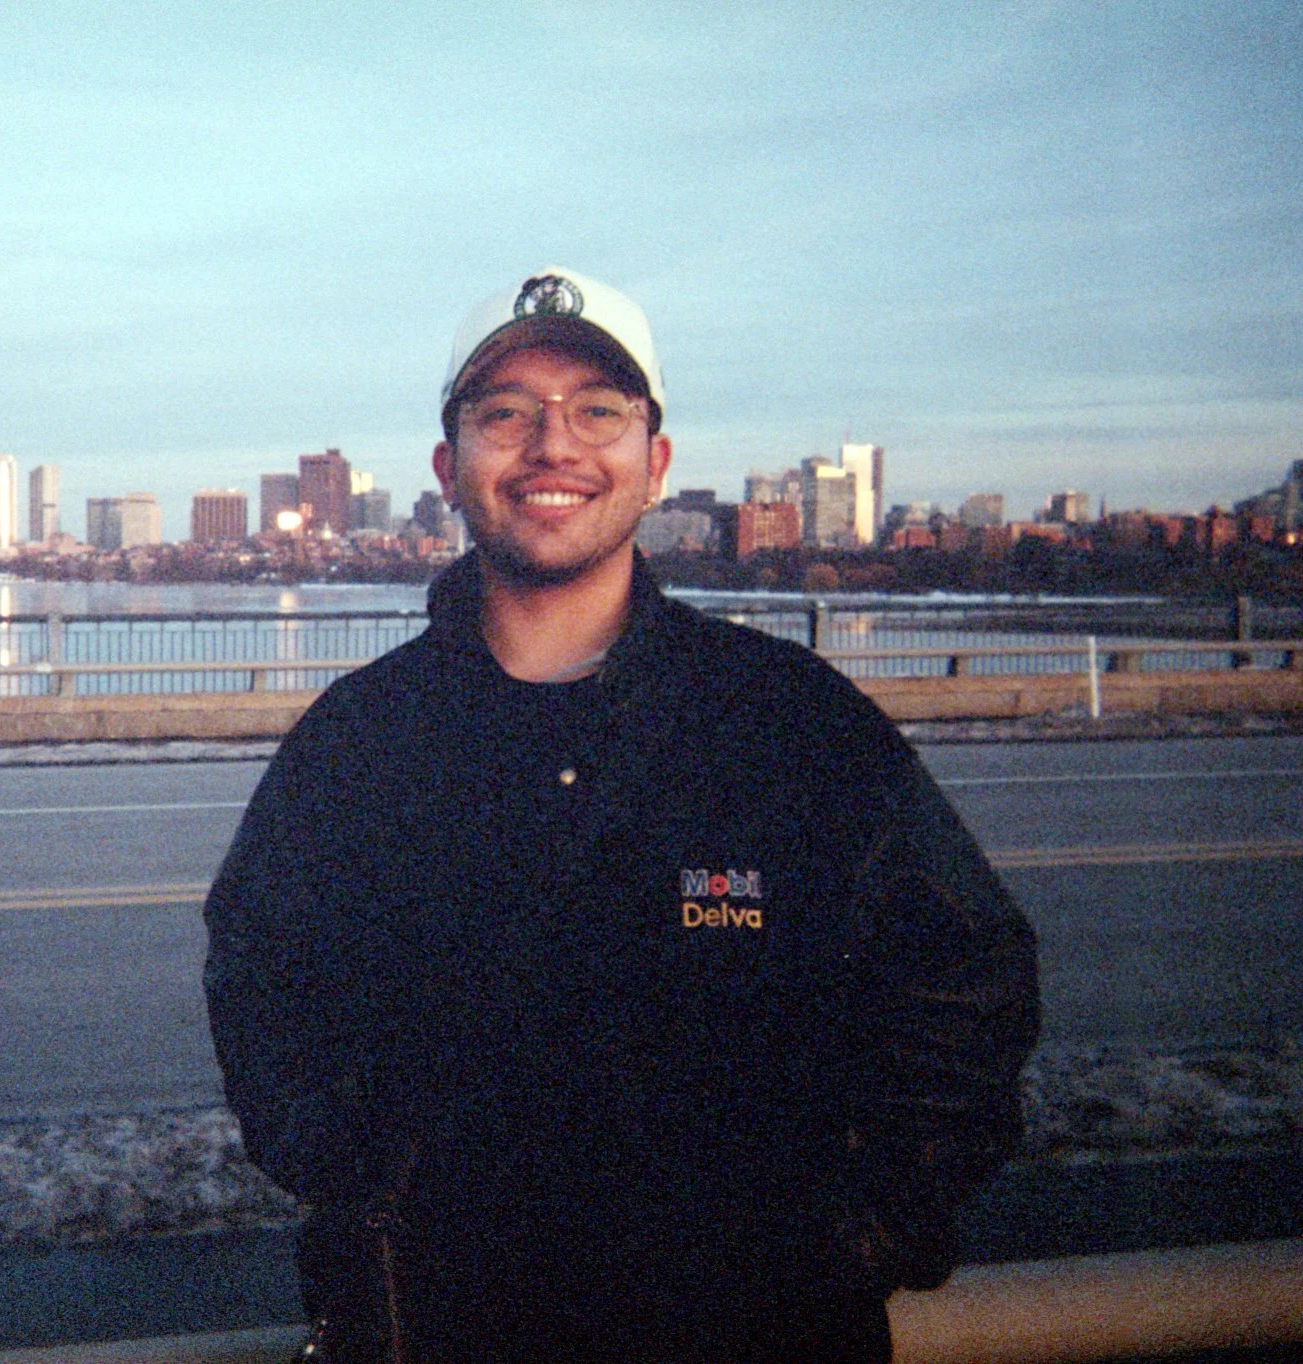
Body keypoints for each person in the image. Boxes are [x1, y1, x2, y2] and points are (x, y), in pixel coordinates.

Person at [202, 267, 1041, 1362]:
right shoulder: (357, 741)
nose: (552, 444)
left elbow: (962, 986)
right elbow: (260, 986)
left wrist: (854, 1233)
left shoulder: (790, 723)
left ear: (652, 465)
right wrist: (366, 1186)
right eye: (504, 412)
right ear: (450, 468)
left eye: (595, 409)